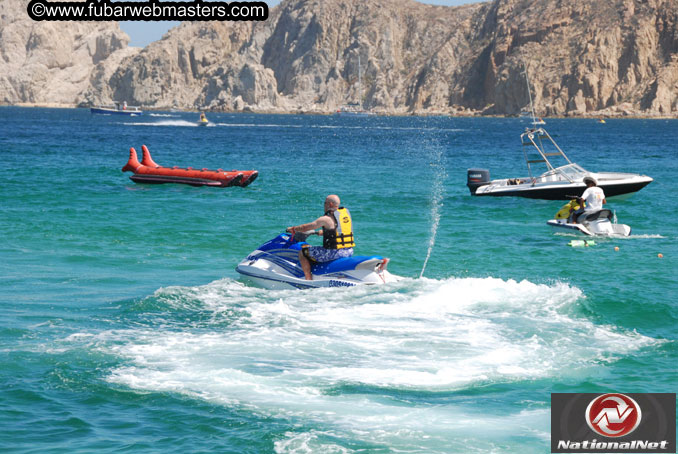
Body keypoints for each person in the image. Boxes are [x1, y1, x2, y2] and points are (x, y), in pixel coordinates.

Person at [286, 194, 355, 280]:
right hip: (348, 251)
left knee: (303, 252)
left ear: (330, 204)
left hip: (334, 253)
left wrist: (293, 229)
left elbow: (305, 227)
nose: (324, 205)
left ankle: (308, 280)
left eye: (324, 203)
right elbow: (338, 232)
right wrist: (317, 233)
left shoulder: (326, 219)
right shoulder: (344, 215)